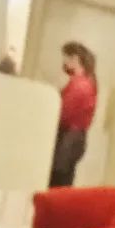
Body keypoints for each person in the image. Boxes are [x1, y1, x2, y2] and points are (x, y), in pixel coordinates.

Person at [50, 39, 97, 187]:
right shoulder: (88, 82)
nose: (63, 63)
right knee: (63, 181)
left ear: (74, 59)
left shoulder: (79, 85)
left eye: (65, 58)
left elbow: (64, 113)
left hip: (68, 138)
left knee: (57, 181)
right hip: (75, 139)